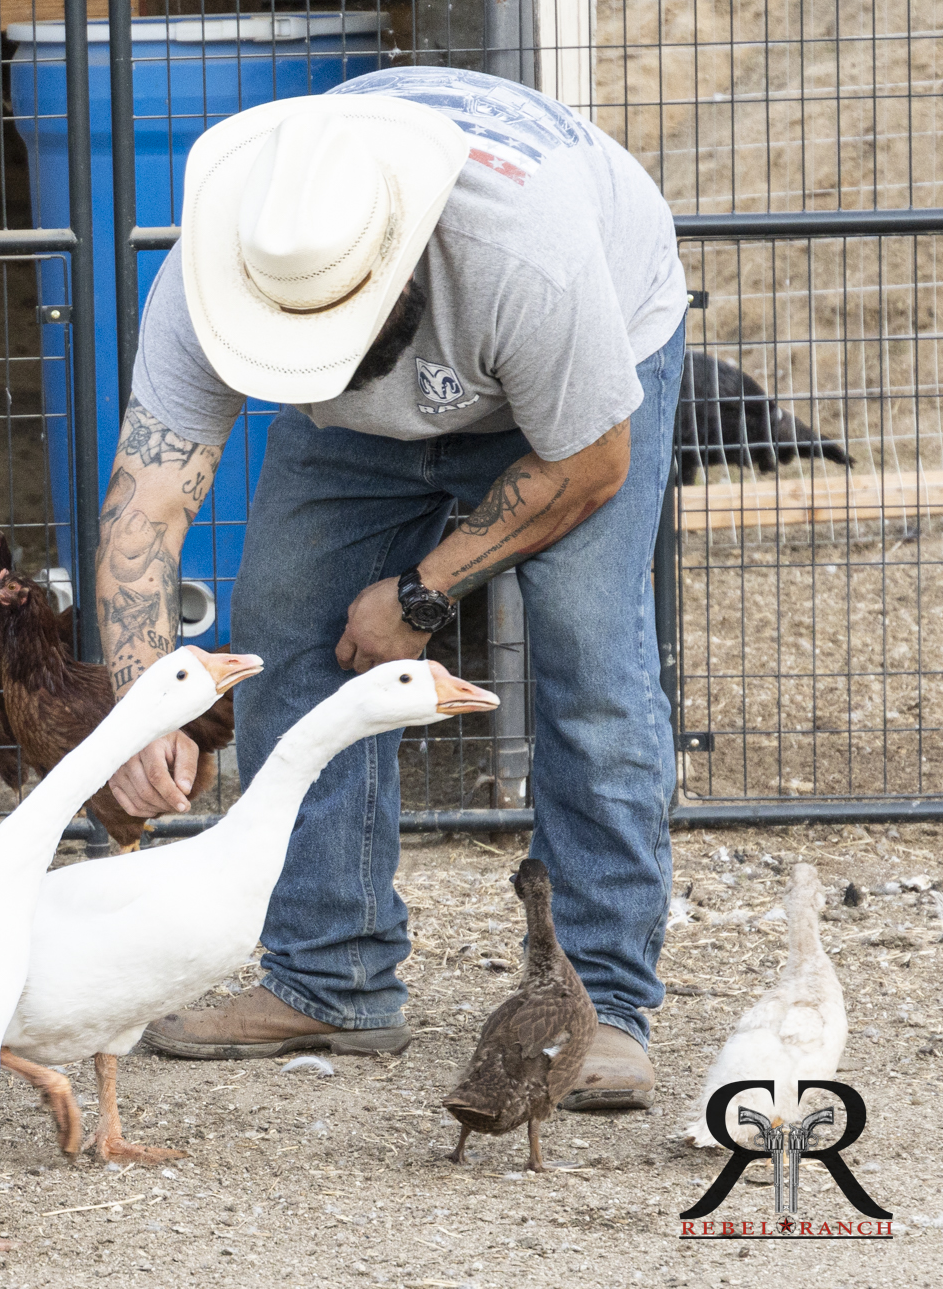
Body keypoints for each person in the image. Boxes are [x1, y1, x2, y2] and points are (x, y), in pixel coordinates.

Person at [95, 67, 686, 1110]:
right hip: (372, 423)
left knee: (590, 660)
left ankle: (594, 1003)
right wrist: (144, 707)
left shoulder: (525, 258)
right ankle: (329, 976)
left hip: (573, 389)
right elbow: (143, 510)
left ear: (395, 274)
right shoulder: (217, 272)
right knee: (285, 629)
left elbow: (590, 466)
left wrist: (420, 596)